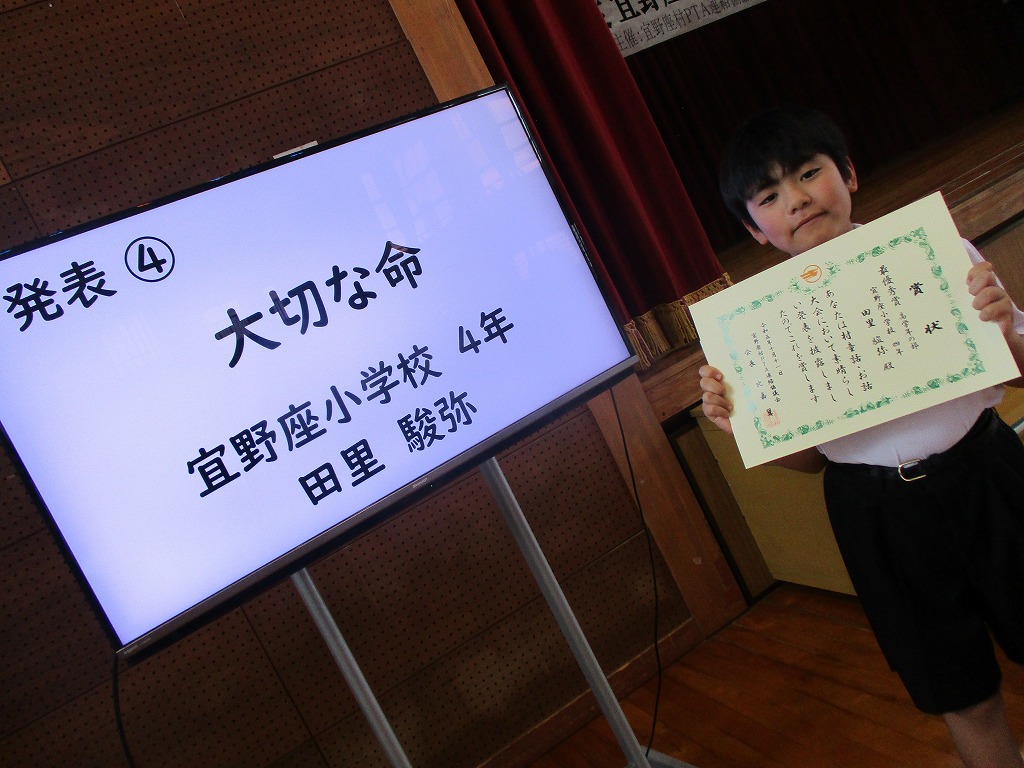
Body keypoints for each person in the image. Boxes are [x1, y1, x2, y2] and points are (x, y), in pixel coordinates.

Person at [699, 105, 1024, 767]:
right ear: (753, 229)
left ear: (847, 173)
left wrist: (1005, 331)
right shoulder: (756, 330)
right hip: (877, 513)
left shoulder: (935, 252)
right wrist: (744, 427)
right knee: (956, 689)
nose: (795, 199)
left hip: (987, 474)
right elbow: (809, 463)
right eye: (768, 196)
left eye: (807, 173)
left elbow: (1018, 364)